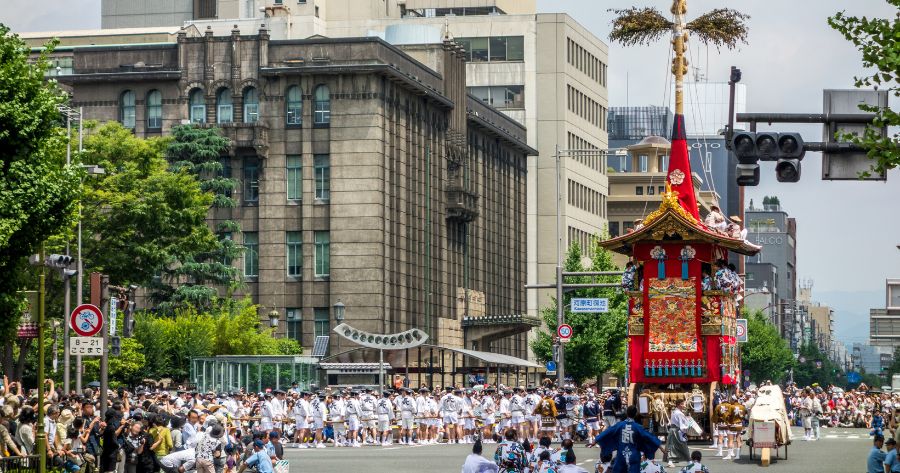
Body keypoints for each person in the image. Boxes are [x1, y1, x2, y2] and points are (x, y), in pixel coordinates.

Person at [592, 406, 663, 473]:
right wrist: (661, 447)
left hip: (621, 455)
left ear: (627, 413)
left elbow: (608, 432)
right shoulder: (638, 427)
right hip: (634, 455)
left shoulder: (620, 425)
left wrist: (595, 441)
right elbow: (649, 436)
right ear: (635, 414)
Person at [664, 400, 691, 468]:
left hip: (672, 430)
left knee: (672, 446)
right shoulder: (679, 413)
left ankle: (670, 461)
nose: (684, 406)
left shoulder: (674, 412)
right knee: (683, 446)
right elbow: (683, 424)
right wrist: (688, 425)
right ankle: (689, 461)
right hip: (677, 431)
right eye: (683, 404)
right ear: (679, 405)